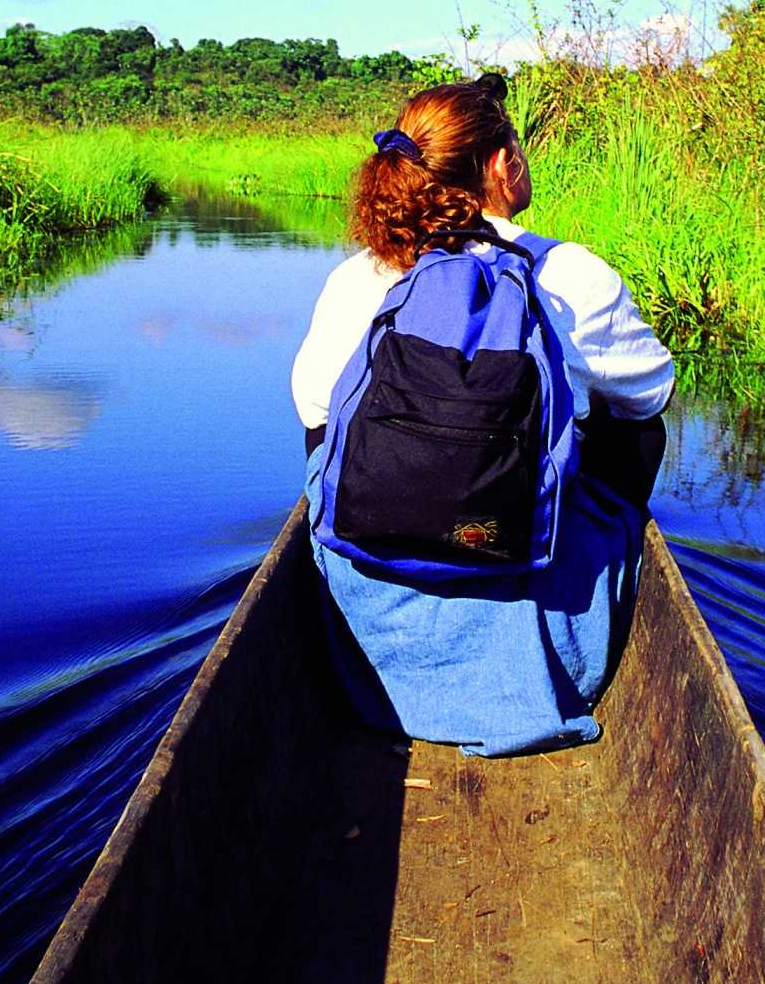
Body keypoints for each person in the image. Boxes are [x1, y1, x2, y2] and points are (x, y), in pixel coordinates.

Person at [289, 75, 675, 756]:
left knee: (327, 441)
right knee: (638, 428)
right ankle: (549, 615)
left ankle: (370, 602)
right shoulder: (570, 275)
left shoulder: (357, 278)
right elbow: (651, 393)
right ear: (502, 165)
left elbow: (315, 418)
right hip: (542, 625)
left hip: (369, 643)